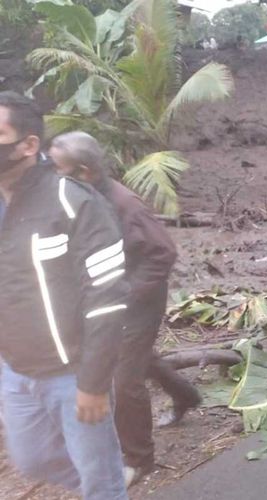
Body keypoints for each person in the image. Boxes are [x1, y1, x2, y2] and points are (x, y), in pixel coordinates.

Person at [48, 131, 202, 487]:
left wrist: (123, 294)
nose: (51, 177)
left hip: (137, 301)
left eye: (58, 170)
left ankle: (138, 458)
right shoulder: (80, 198)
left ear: (84, 171)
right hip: (107, 299)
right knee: (139, 359)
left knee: (123, 376)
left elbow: (162, 253)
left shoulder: (124, 204)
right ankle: (187, 395)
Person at [0, 92, 129, 499]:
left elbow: (107, 296)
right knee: (31, 460)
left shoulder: (72, 201)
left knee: (99, 478)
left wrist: (92, 382)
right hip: (15, 371)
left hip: (72, 372)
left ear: (28, 145)